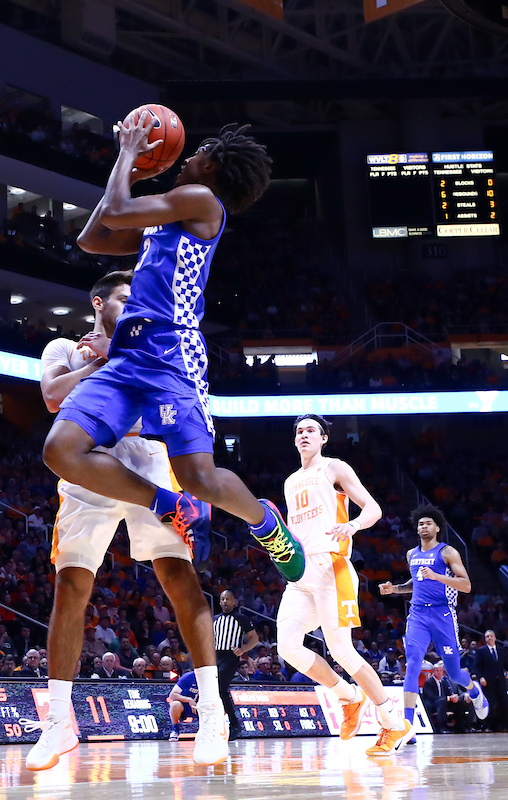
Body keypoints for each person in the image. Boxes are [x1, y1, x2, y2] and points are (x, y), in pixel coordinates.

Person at [42, 117, 306, 591]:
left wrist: (127, 156)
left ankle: (266, 524)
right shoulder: (166, 215)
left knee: (200, 477)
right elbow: (93, 238)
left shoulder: (203, 201)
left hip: (172, 351)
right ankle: (169, 504)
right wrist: (132, 175)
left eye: (199, 150)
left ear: (214, 167)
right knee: (61, 450)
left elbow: (118, 212)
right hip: (127, 354)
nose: (187, 156)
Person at [29, 270, 229, 770]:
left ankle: (212, 713)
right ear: (99, 301)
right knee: (70, 586)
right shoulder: (63, 347)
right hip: (88, 459)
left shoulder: (152, 342)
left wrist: (116, 354)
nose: (132, 306)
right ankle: (58, 723)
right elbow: (53, 397)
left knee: (179, 581)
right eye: (123, 298)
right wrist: (99, 361)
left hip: (149, 456)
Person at [278, 414, 404, 755]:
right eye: (299, 431)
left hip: (331, 565)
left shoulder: (334, 468)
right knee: (287, 647)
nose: (304, 435)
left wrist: (353, 525)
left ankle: (394, 723)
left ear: (323, 439)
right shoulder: (290, 482)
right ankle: (349, 697)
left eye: (311, 431)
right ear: (294, 440)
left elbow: (373, 508)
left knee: (342, 651)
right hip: (301, 571)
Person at [380, 505, 489, 753]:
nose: (423, 527)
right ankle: (407, 727)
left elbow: (466, 585)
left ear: (437, 528)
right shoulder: (411, 554)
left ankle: (473, 690)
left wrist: (438, 577)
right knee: (412, 664)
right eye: (420, 524)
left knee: (453, 673)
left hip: (443, 613)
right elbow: (415, 582)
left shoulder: (447, 552)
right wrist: (395, 589)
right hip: (418, 613)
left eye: (428, 523)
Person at [211, 590, 257, 740]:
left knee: (220, 687)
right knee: (217, 690)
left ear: (234, 602)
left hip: (230, 657)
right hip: (215, 657)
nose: (225, 601)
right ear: (219, 602)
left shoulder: (241, 618)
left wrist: (243, 649)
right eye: (222, 599)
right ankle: (223, 723)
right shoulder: (215, 619)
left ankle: (234, 723)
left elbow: (254, 638)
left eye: (228, 599)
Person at [168, 669, 199, 741]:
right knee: (175, 704)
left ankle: (209, 731)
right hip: (185, 707)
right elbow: (172, 695)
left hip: (200, 707)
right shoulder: (188, 677)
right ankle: (175, 730)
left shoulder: (209, 678)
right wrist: (188, 700)